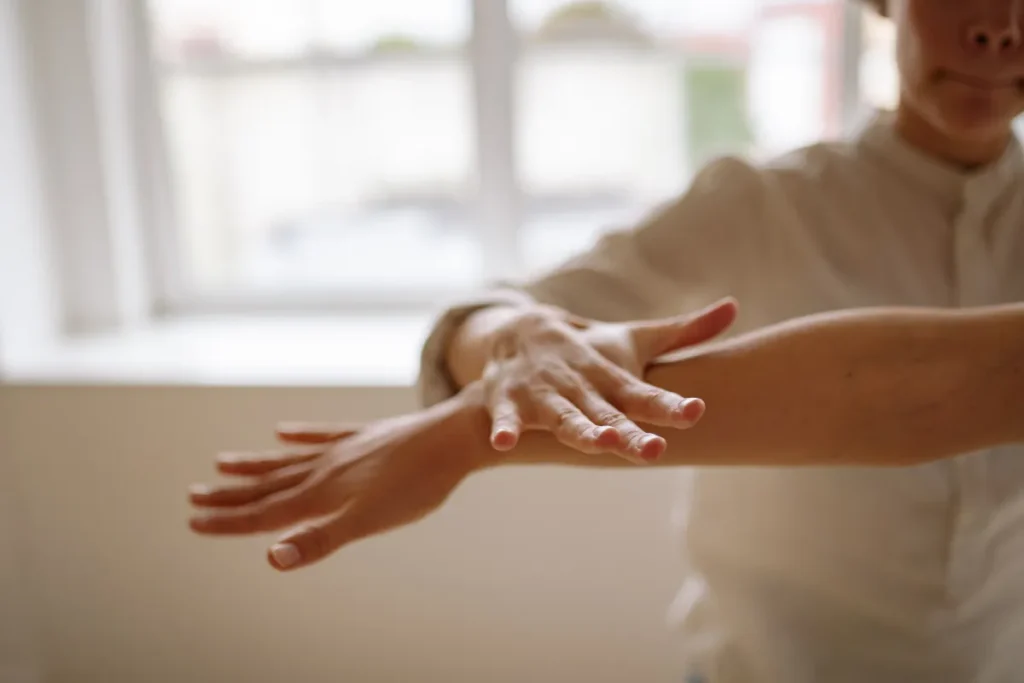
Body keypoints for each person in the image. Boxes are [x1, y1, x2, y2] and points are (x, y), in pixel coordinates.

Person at [188, 0, 1024, 680]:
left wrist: (464, 441)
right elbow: (508, 310)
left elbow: (915, 392)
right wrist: (519, 337)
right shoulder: (765, 201)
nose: (996, 25)